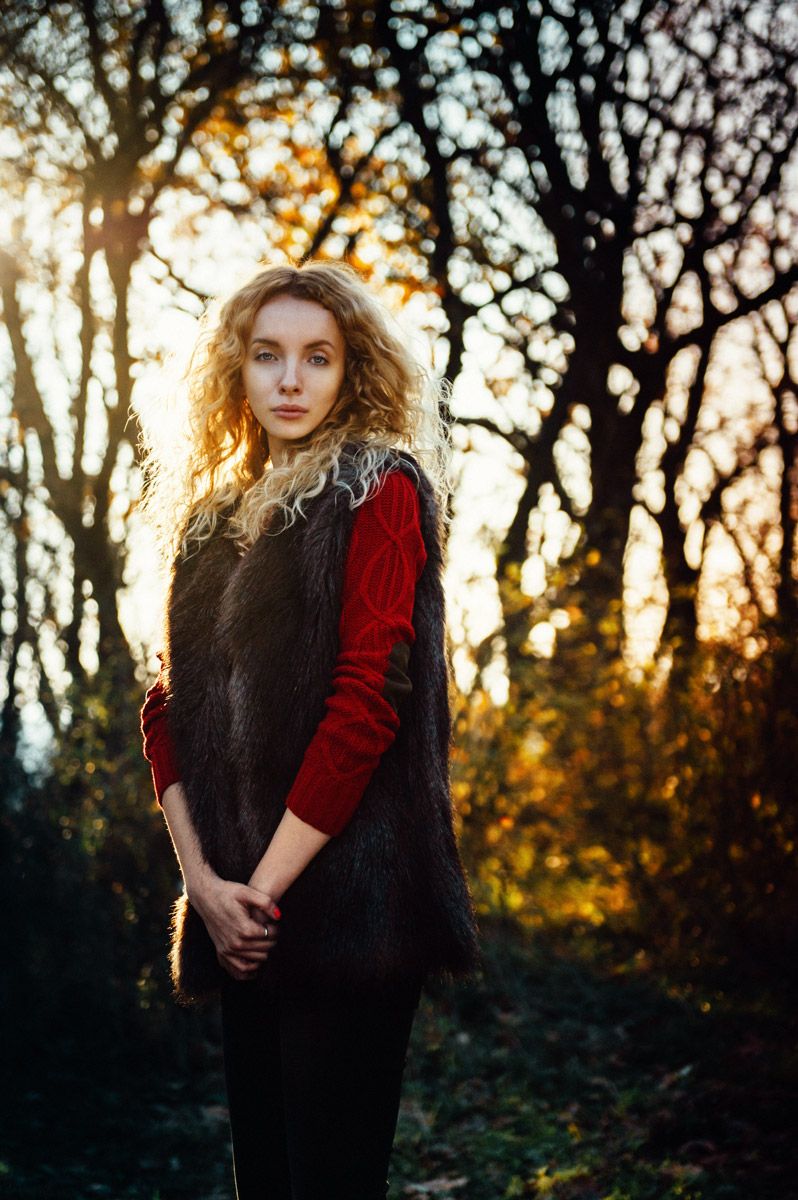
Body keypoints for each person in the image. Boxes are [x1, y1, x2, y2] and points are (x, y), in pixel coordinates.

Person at [138, 259, 481, 1200]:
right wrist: (205, 890)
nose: (290, 380)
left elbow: (368, 701)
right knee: (265, 1182)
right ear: (237, 369)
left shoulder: (381, 490)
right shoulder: (208, 522)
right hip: (237, 913)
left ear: (351, 369)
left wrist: (257, 897)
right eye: (267, 355)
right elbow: (166, 707)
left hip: (354, 912)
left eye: (317, 357)